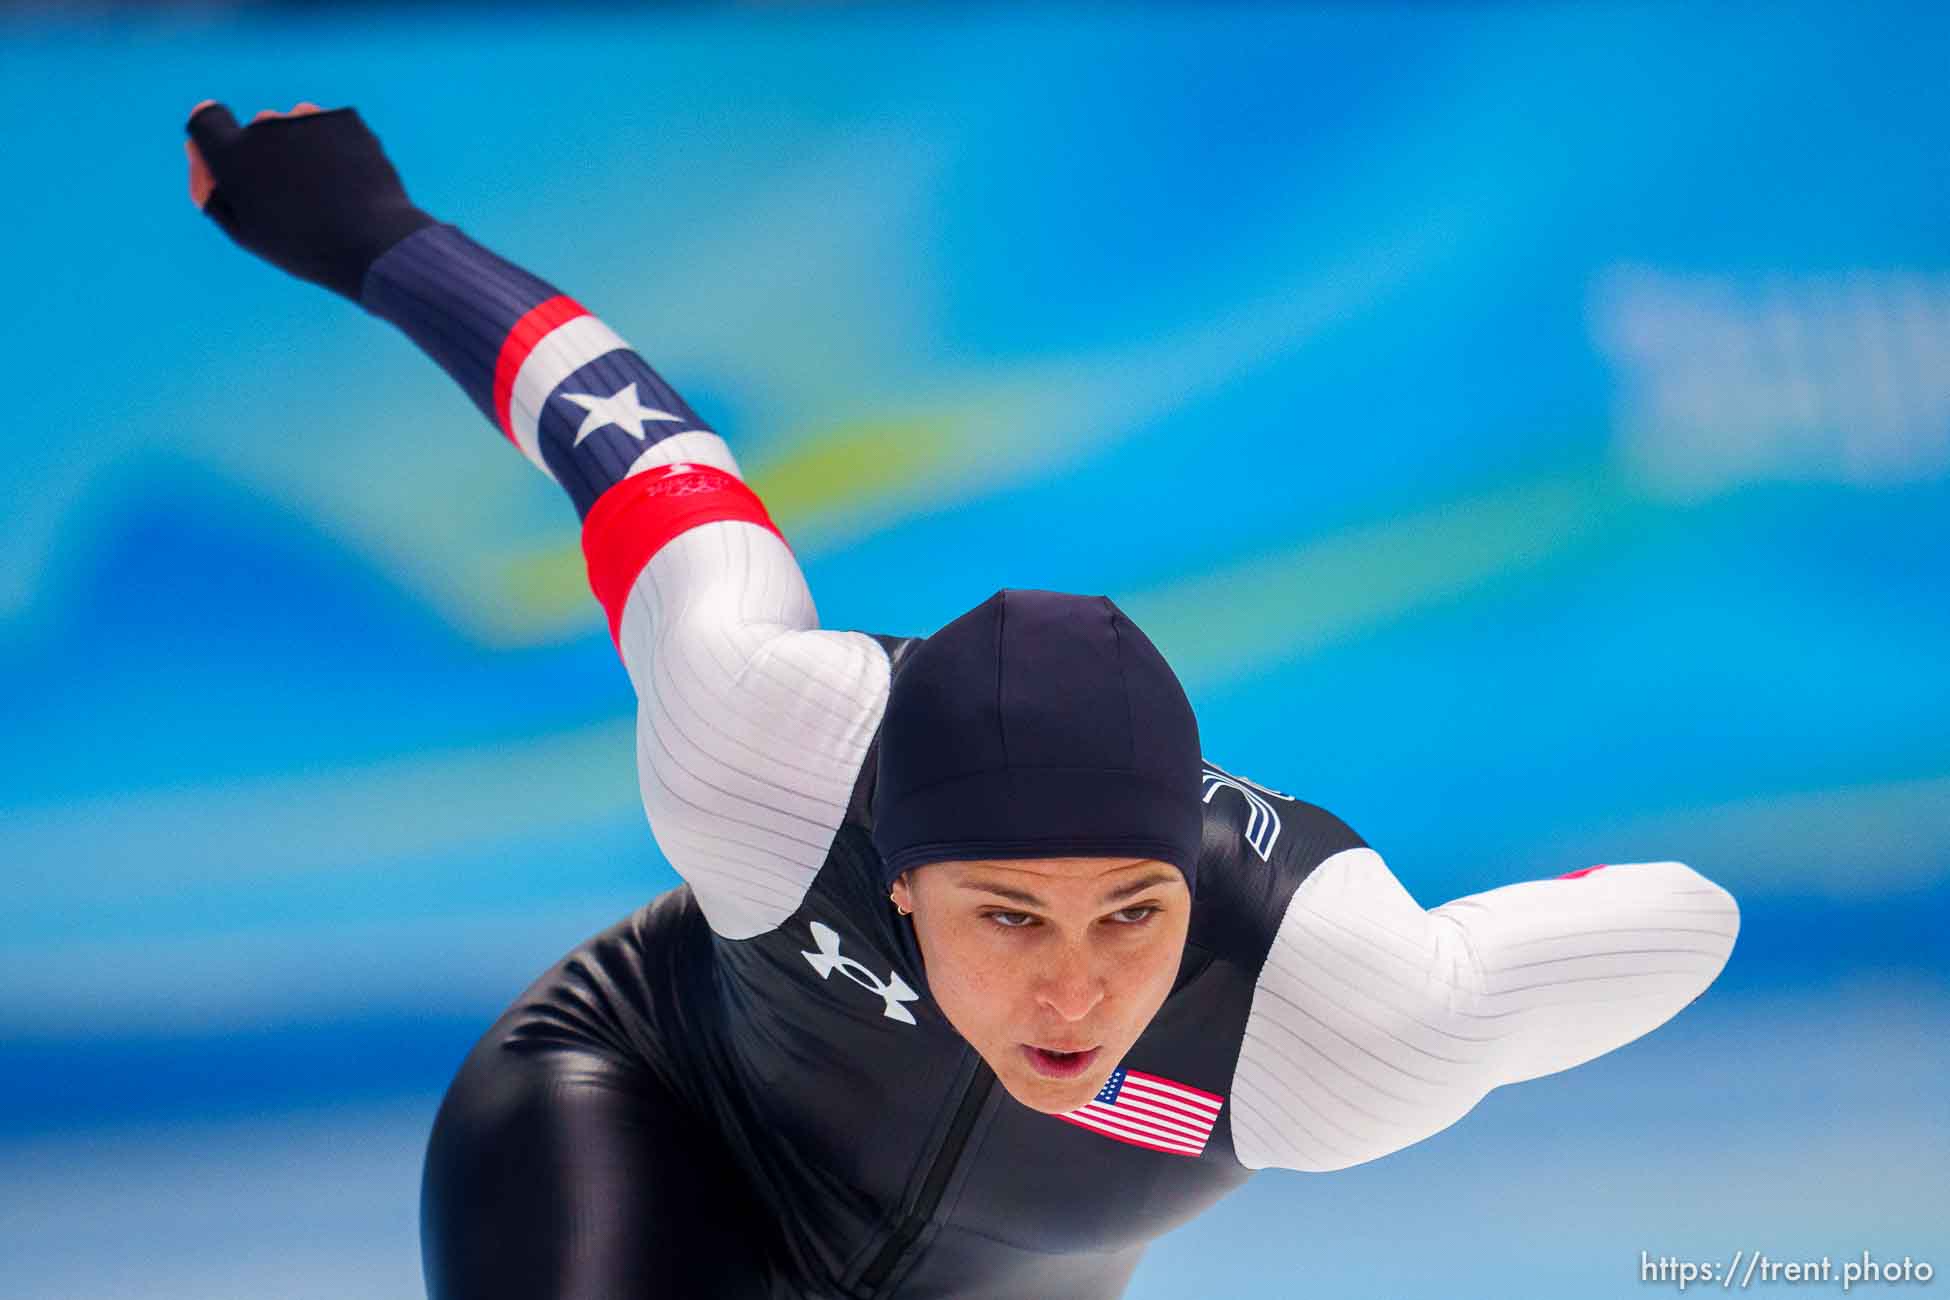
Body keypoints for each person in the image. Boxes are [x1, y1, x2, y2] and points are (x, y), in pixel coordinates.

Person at [183, 100, 1742, 1300]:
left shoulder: (1336, 1009)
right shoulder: (766, 750)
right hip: (647, 1116)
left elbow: (1687, 918)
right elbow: (636, 447)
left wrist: (1489, 954)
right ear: (900, 882)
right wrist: (377, 236)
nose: (1074, 998)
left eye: (1130, 917)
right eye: (1007, 918)